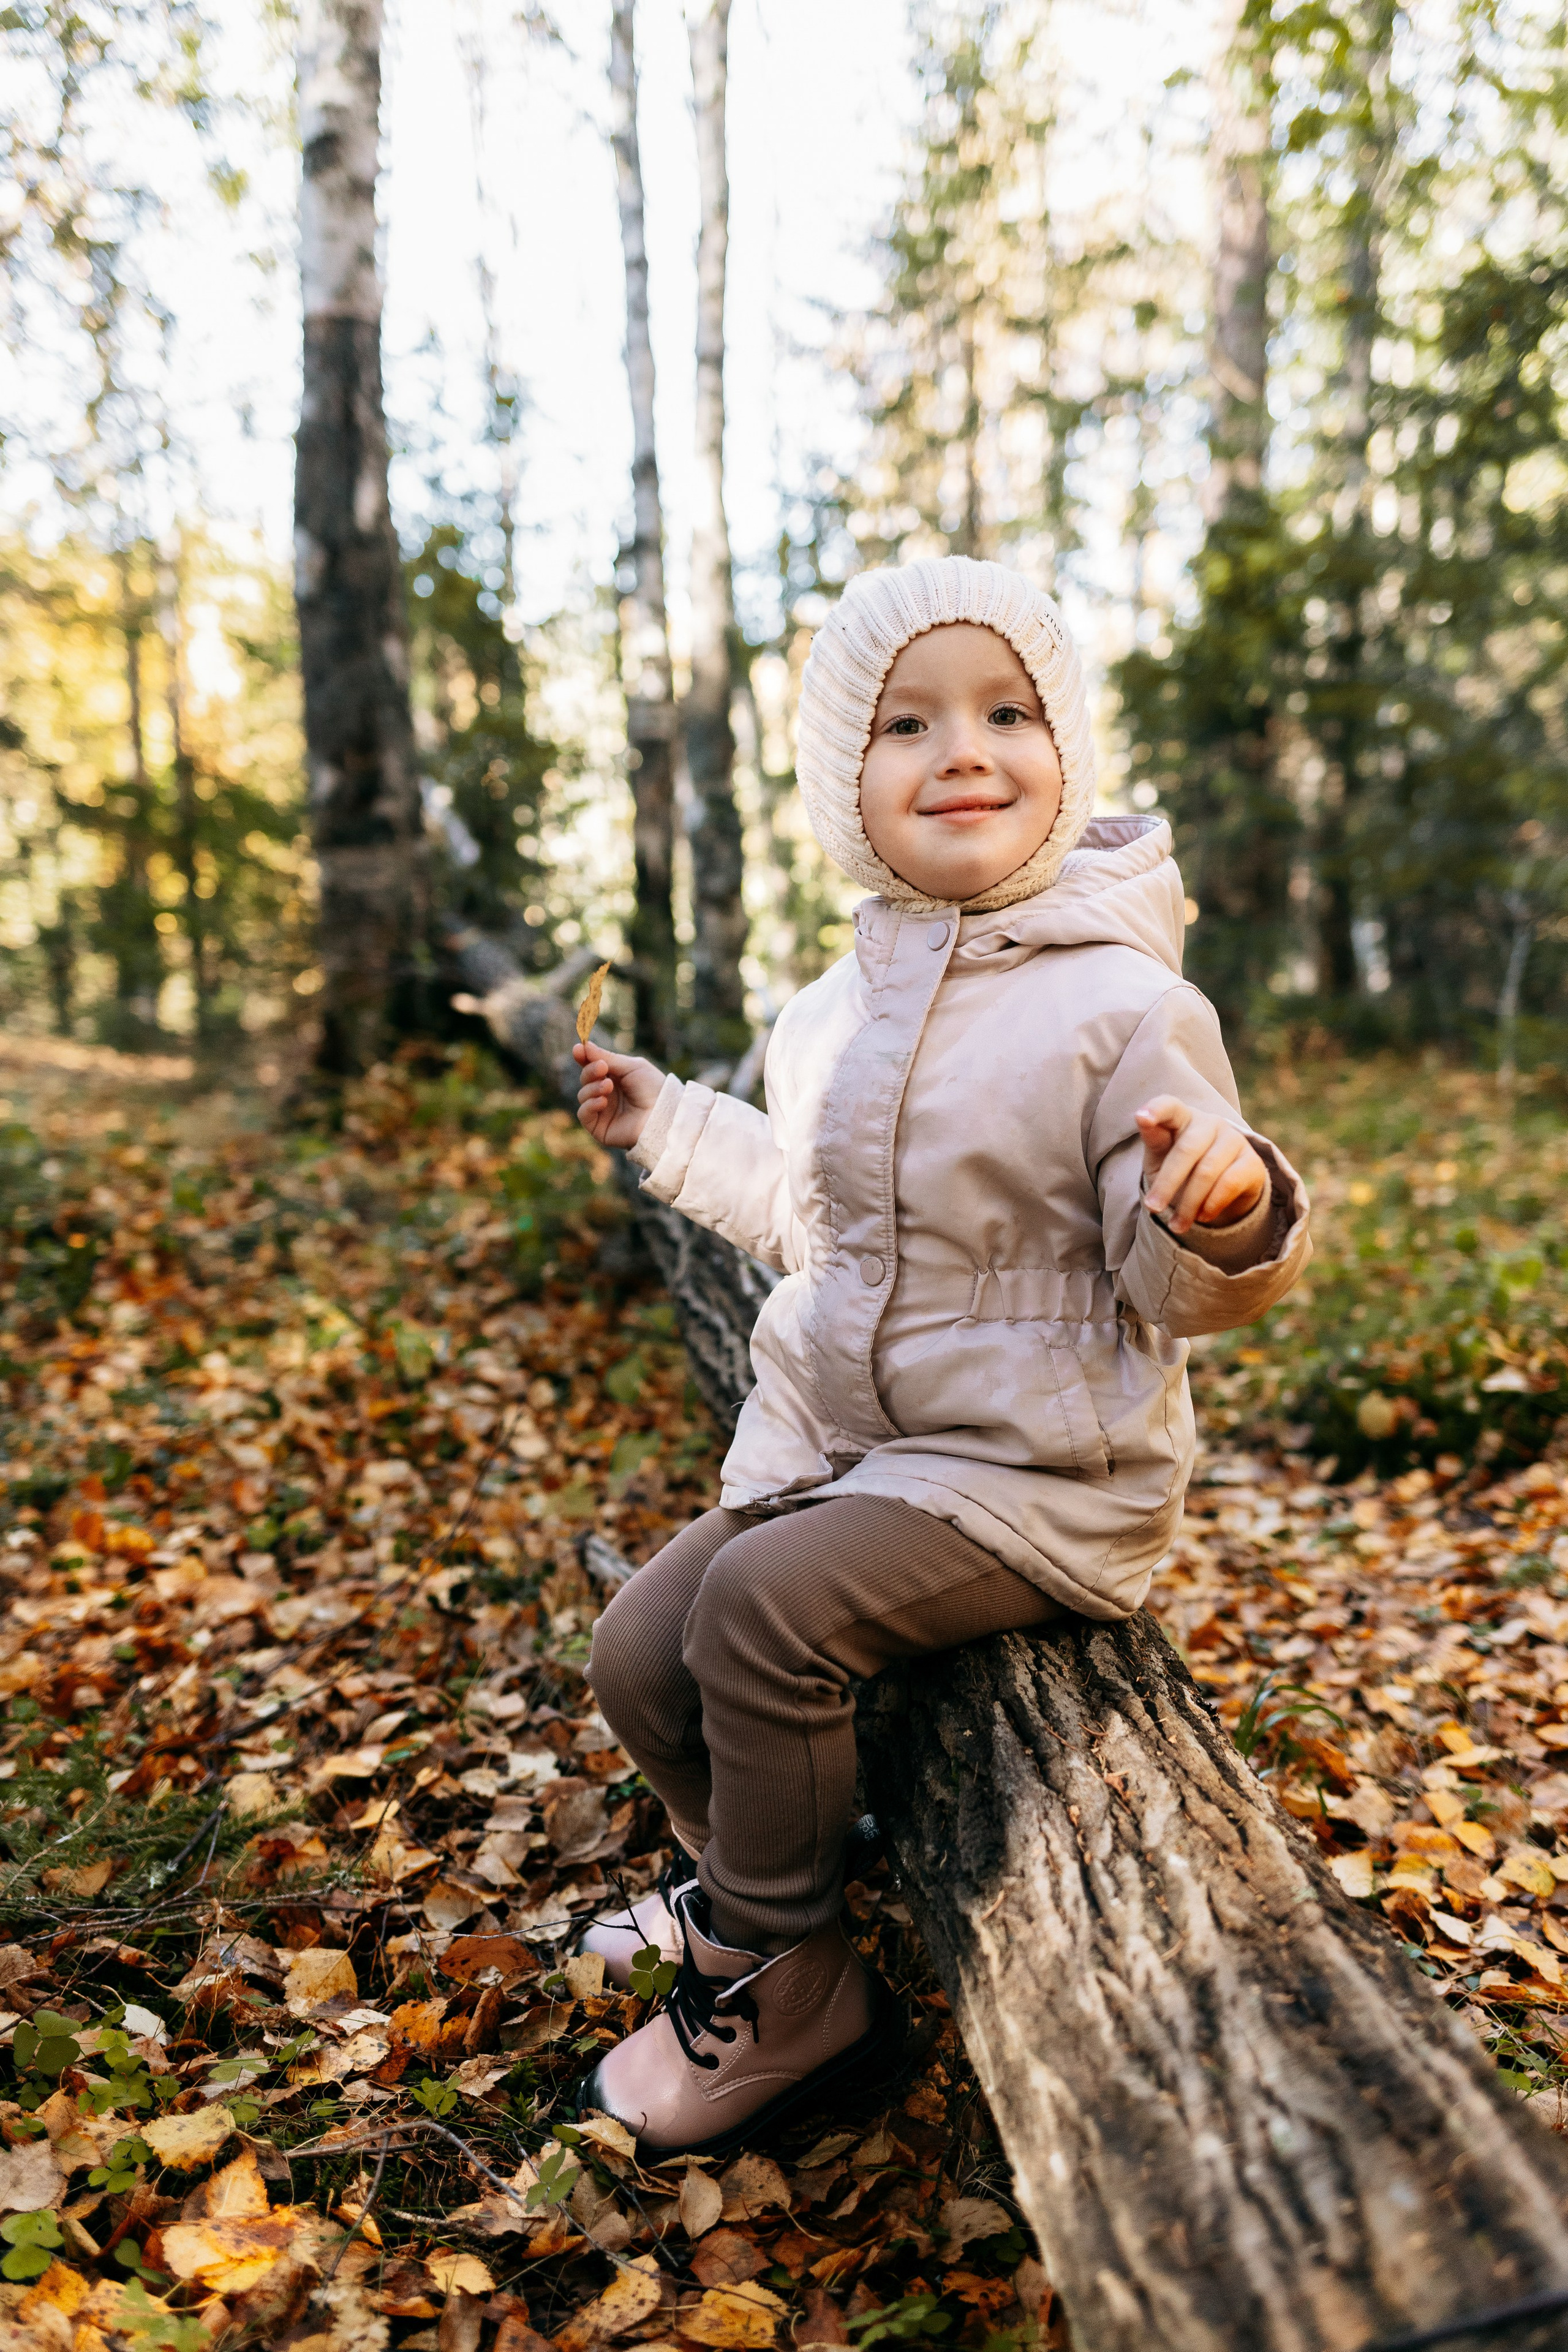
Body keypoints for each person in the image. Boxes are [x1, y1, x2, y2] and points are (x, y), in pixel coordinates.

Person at [568, 556, 1311, 2158]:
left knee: (761, 1617)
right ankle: (735, 1887)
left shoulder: (1125, 1005)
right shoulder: (836, 1009)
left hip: (1042, 1471)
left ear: (1067, 753)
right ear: (850, 784)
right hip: (856, 1449)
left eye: (1007, 710)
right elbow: (825, 1216)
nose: (963, 750)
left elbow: (1169, 1272)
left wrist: (1223, 1211)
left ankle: (796, 1979)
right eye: (908, 723)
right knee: (639, 1649)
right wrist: (676, 1125)